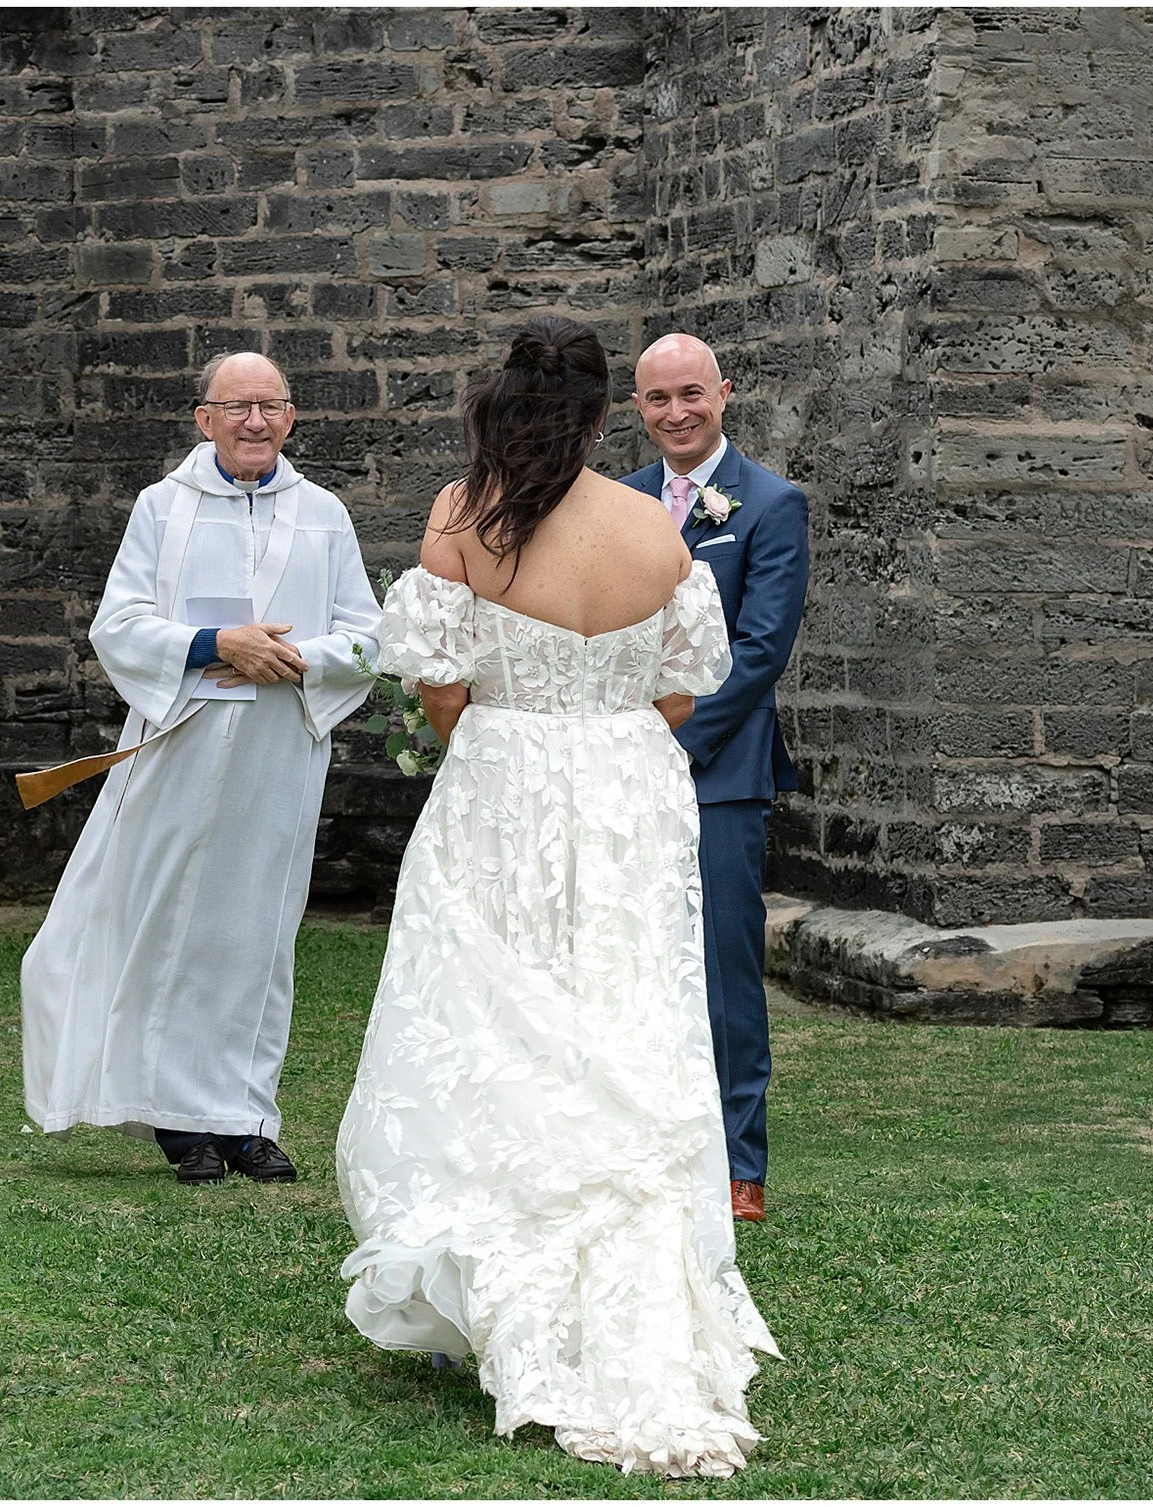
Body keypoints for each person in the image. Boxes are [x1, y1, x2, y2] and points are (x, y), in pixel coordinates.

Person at [336, 316, 778, 1478]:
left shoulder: (461, 514)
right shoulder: (655, 527)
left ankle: (503, 1281)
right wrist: (605, 742)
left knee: (496, 1017)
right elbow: (685, 687)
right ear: (600, 416)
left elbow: (439, 687)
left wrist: (514, 741)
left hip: (502, 779)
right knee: (622, 1013)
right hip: (630, 788)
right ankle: (632, 1272)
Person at [22, 352, 382, 1185]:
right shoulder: (162, 508)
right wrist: (214, 644)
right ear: (203, 417)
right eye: (236, 405)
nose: (254, 421)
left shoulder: (324, 514)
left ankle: (247, 1118)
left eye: (270, 406)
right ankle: (180, 1122)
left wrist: (291, 657)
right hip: (179, 750)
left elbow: (369, 634)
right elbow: (119, 625)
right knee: (171, 927)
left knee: (256, 935)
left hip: (277, 760)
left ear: (292, 418)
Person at [619, 334, 810, 1226]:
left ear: (724, 393)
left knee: (724, 971)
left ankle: (739, 1164)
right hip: (617, 769)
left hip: (717, 774)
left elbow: (760, 648)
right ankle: (636, 1148)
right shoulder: (614, 504)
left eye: (691, 393)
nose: (676, 413)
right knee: (623, 962)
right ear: (638, 407)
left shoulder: (771, 504)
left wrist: (670, 740)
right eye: (658, 399)